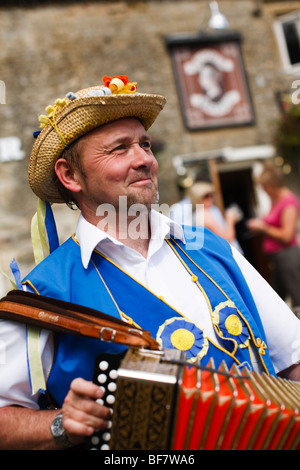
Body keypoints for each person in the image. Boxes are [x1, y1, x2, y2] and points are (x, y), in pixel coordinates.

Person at [0, 75, 299, 450]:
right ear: (70, 175)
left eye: (145, 144)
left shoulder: (212, 249)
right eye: (119, 149)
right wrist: (59, 422)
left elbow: (291, 359)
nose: (143, 159)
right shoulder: (44, 293)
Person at [248, 164, 300, 308]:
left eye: (265, 187)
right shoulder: (275, 200)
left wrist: (263, 227)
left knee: (297, 297)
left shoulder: (288, 202)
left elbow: (286, 236)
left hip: (287, 256)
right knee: (277, 300)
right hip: (277, 258)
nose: (264, 190)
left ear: (273, 184)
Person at [187, 181, 243, 253]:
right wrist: (230, 219)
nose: (211, 198)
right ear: (198, 197)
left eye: (212, 195)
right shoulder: (204, 215)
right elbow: (227, 239)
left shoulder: (204, 213)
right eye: (206, 196)